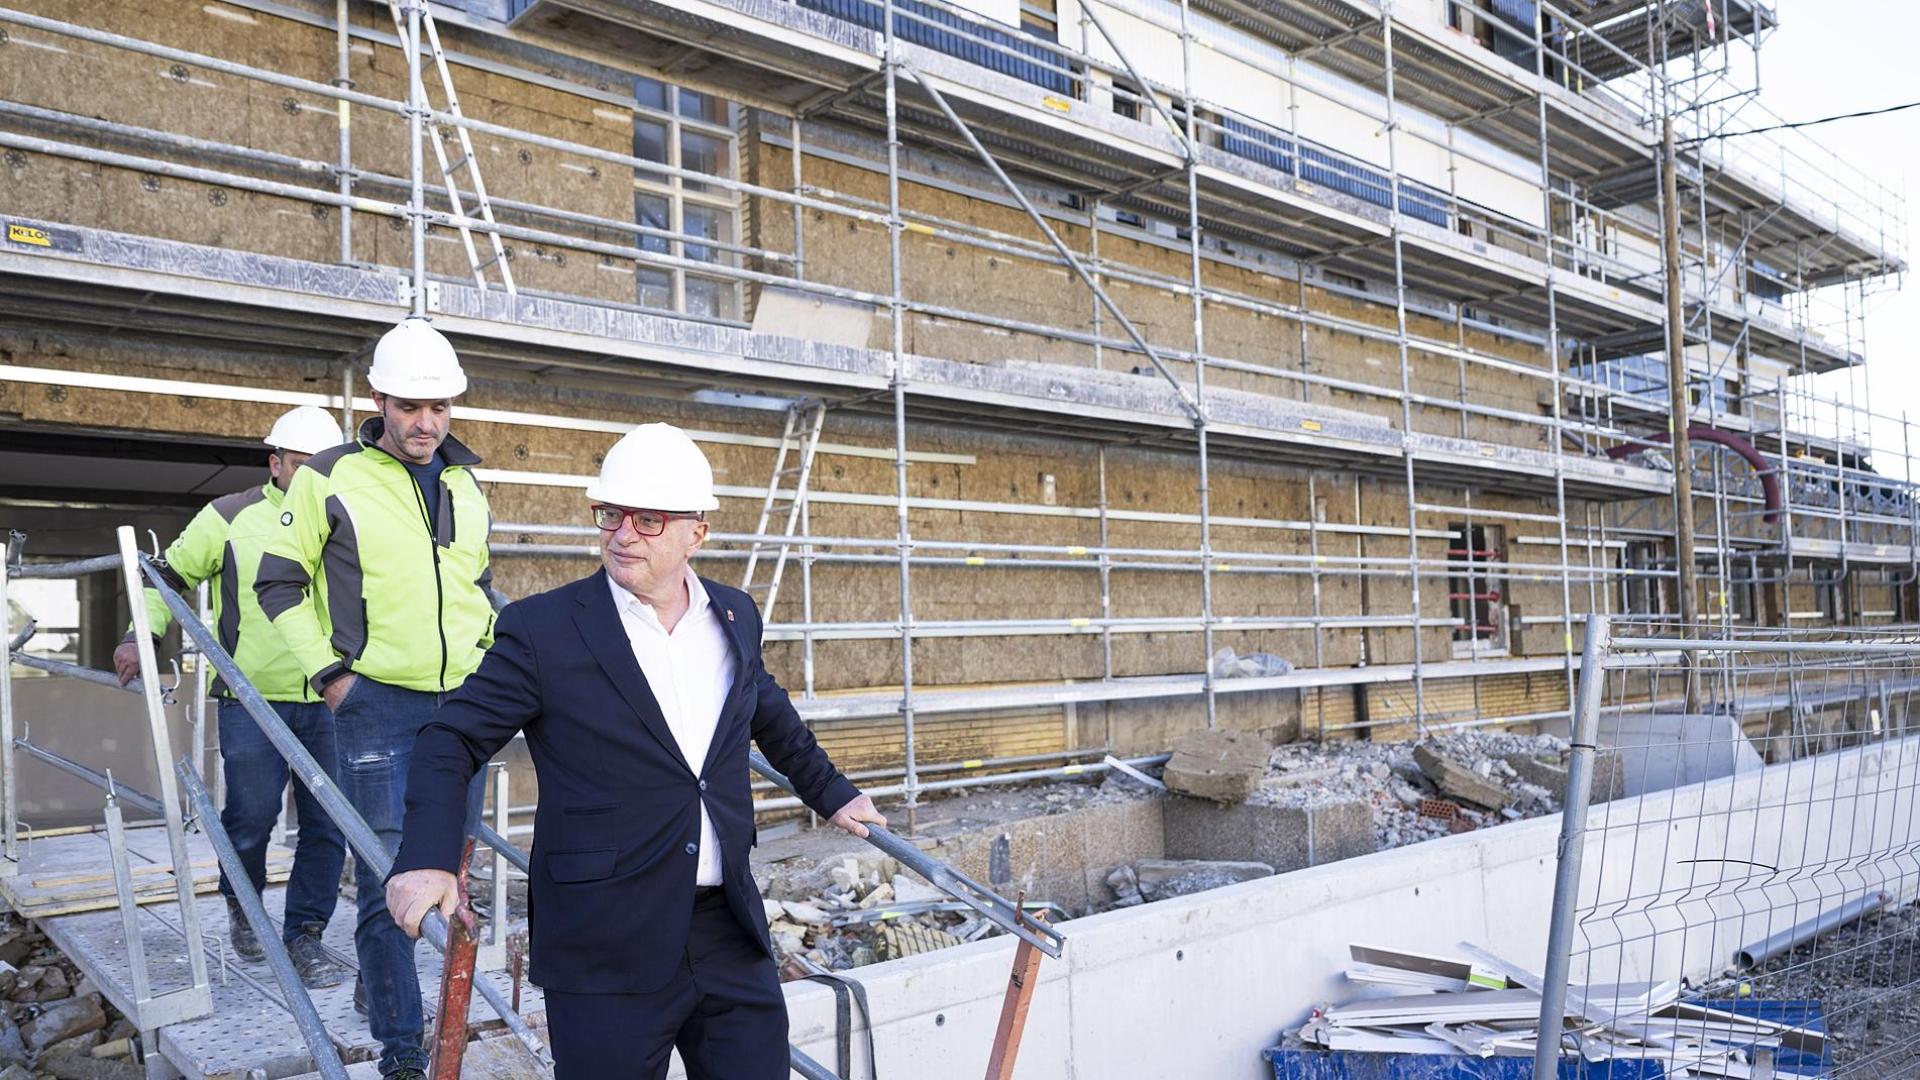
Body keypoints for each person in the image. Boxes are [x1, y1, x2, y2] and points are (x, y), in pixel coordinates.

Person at [385, 422, 885, 1079]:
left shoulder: (734, 615)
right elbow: (450, 739)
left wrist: (834, 792)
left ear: (695, 532)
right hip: (604, 940)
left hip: (724, 929)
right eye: (611, 514)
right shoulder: (545, 629)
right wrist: (428, 858)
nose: (622, 534)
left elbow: (768, 710)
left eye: (648, 520)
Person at [255, 317, 493, 1080]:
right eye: (410, 407)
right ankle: (398, 1052)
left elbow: (475, 586)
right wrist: (331, 675)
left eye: (440, 409)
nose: (426, 424)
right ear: (379, 401)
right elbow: (276, 582)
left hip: (463, 708)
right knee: (392, 878)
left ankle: (377, 984)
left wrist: (494, 660)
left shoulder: (465, 481)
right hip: (378, 704)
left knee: (448, 869)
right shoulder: (329, 475)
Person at [114, 405, 349, 988]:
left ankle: (305, 935)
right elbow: (166, 575)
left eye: (327, 467)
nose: (316, 478)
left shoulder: (352, 518)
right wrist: (136, 634)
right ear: (275, 463)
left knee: (328, 825)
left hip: (335, 698)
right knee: (251, 818)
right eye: (302, 465)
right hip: (251, 700)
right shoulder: (228, 516)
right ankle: (244, 907)